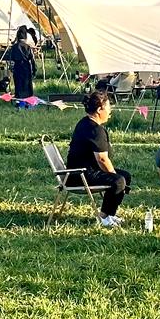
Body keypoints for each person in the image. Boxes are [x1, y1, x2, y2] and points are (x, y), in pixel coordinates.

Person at [67, 89, 131, 228]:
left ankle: (111, 214)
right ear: (99, 109)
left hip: (80, 171)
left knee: (125, 176)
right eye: (108, 108)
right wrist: (114, 175)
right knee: (119, 181)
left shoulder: (85, 122)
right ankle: (104, 217)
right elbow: (102, 160)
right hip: (80, 175)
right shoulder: (95, 130)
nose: (110, 111)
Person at [7, 25, 37, 99]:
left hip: (17, 67)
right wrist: (34, 70)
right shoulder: (28, 47)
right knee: (27, 84)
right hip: (26, 67)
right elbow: (32, 59)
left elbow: (11, 59)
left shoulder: (14, 47)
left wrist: (11, 68)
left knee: (19, 84)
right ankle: (28, 100)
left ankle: (19, 99)